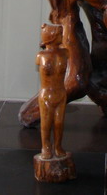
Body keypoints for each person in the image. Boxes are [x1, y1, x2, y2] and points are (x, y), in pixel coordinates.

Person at [36, 23, 69, 159]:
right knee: (46, 123)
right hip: (46, 95)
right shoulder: (41, 56)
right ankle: (46, 147)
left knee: (59, 122)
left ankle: (58, 146)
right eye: (60, 34)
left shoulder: (65, 53)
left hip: (61, 93)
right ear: (52, 37)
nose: (62, 36)